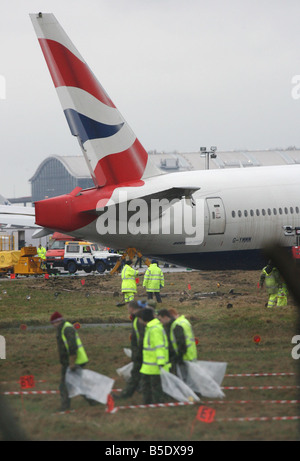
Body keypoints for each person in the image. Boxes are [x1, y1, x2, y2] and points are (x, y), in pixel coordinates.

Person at [50, 311, 96, 411]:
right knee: (78, 383)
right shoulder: (62, 328)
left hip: (75, 361)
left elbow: (72, 347)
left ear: (57, 321)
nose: (53, 326)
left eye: (53, 323)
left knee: (64, 386)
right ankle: (93, 401)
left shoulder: (67, 329)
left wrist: (71, 363)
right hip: (70, 361)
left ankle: (65, 407)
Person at [136, 308, 170, 404]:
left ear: (143, 319)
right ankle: (149, 403)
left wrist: (160, 362)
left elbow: (159, 347)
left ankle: (156, 404)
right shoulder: (152, 328)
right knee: (148, 386)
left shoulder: (154, 329)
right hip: (149, 366)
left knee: (156, 387)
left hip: (154, 366)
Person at [115, 300, 147, 399]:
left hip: (141, 352)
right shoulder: (138, 319)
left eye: (128, 308)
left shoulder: (138, 320)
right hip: (140, 352)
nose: (127, 310)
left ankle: (126, 395)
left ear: (132, 308)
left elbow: (141, 338)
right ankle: (139, 389)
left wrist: (137, 352)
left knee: (135, 374)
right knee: (139, 374)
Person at [157, 308, 187, 374]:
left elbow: (181, 343)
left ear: (165, 317)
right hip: (170, 358)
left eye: (160, 319)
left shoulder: (175, 326)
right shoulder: (165, 327)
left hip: (176, 358)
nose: (160, 321)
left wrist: (178, 357)